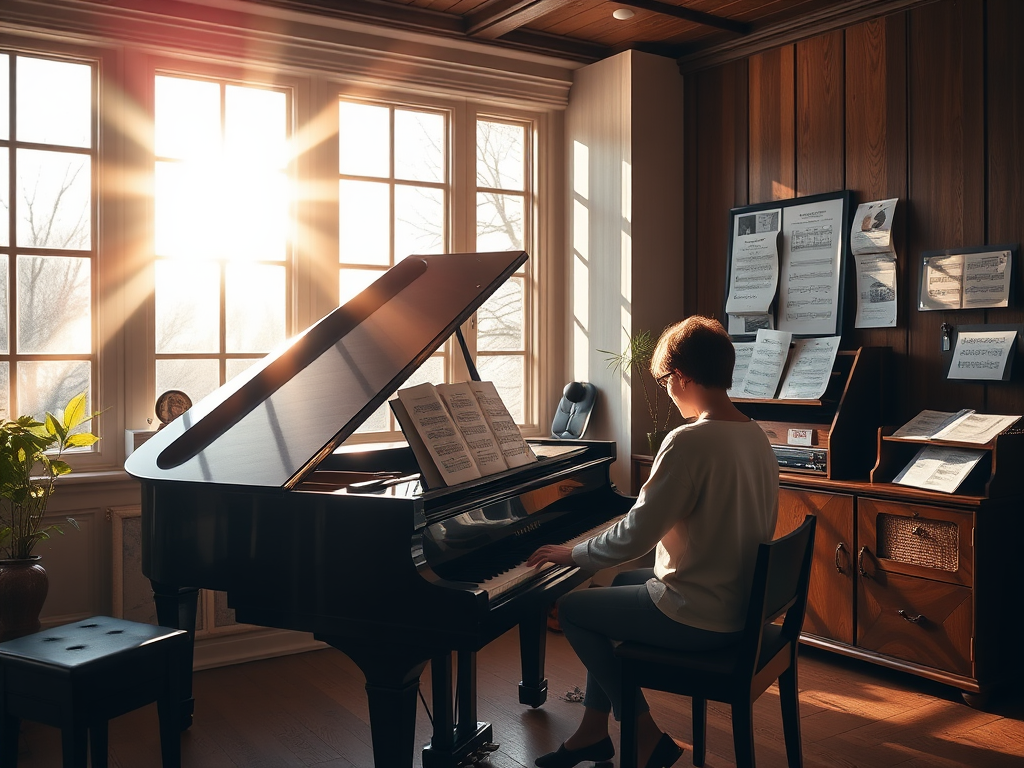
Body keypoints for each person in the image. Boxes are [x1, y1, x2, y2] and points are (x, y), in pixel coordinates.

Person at [527, 316, 779, 768]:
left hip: (702, 613)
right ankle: (591, 732)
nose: (666, 391)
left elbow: (637, 534)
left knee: (574, 610)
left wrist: (573, 553)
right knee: (622, 582)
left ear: (681, 376)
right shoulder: (755, 434)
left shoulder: (688, 441)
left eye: (664, 381)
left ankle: (643, 734)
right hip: (741, 601)